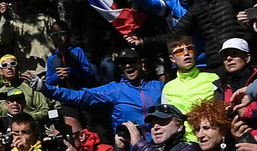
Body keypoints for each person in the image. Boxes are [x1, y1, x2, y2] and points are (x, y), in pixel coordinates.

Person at [31, 48, 164, 138]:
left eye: (131, 61)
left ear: (141, 64)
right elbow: (80, 96)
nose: (128, 66)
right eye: (123, 63)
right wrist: (46, 88)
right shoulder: (115, 90)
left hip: (160, 149)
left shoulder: (158, 87)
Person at [161, 35, 219, 141]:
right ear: (172, 58)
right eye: (179, 51)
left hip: (211, 141)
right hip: (183, 144)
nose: (186, 53)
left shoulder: (213, 79)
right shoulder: (168, 88)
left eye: (190, 49)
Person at [45, 20, 96, 90]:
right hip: (64, 96)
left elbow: (89, 73)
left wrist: (72, 71)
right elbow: (48, 82)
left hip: (81, 94)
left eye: (62, 33)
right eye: (55, 35)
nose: (59, 37)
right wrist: (57, 75)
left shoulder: (77, 51)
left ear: (68, 34)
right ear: (52, 37)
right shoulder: (51, 58)